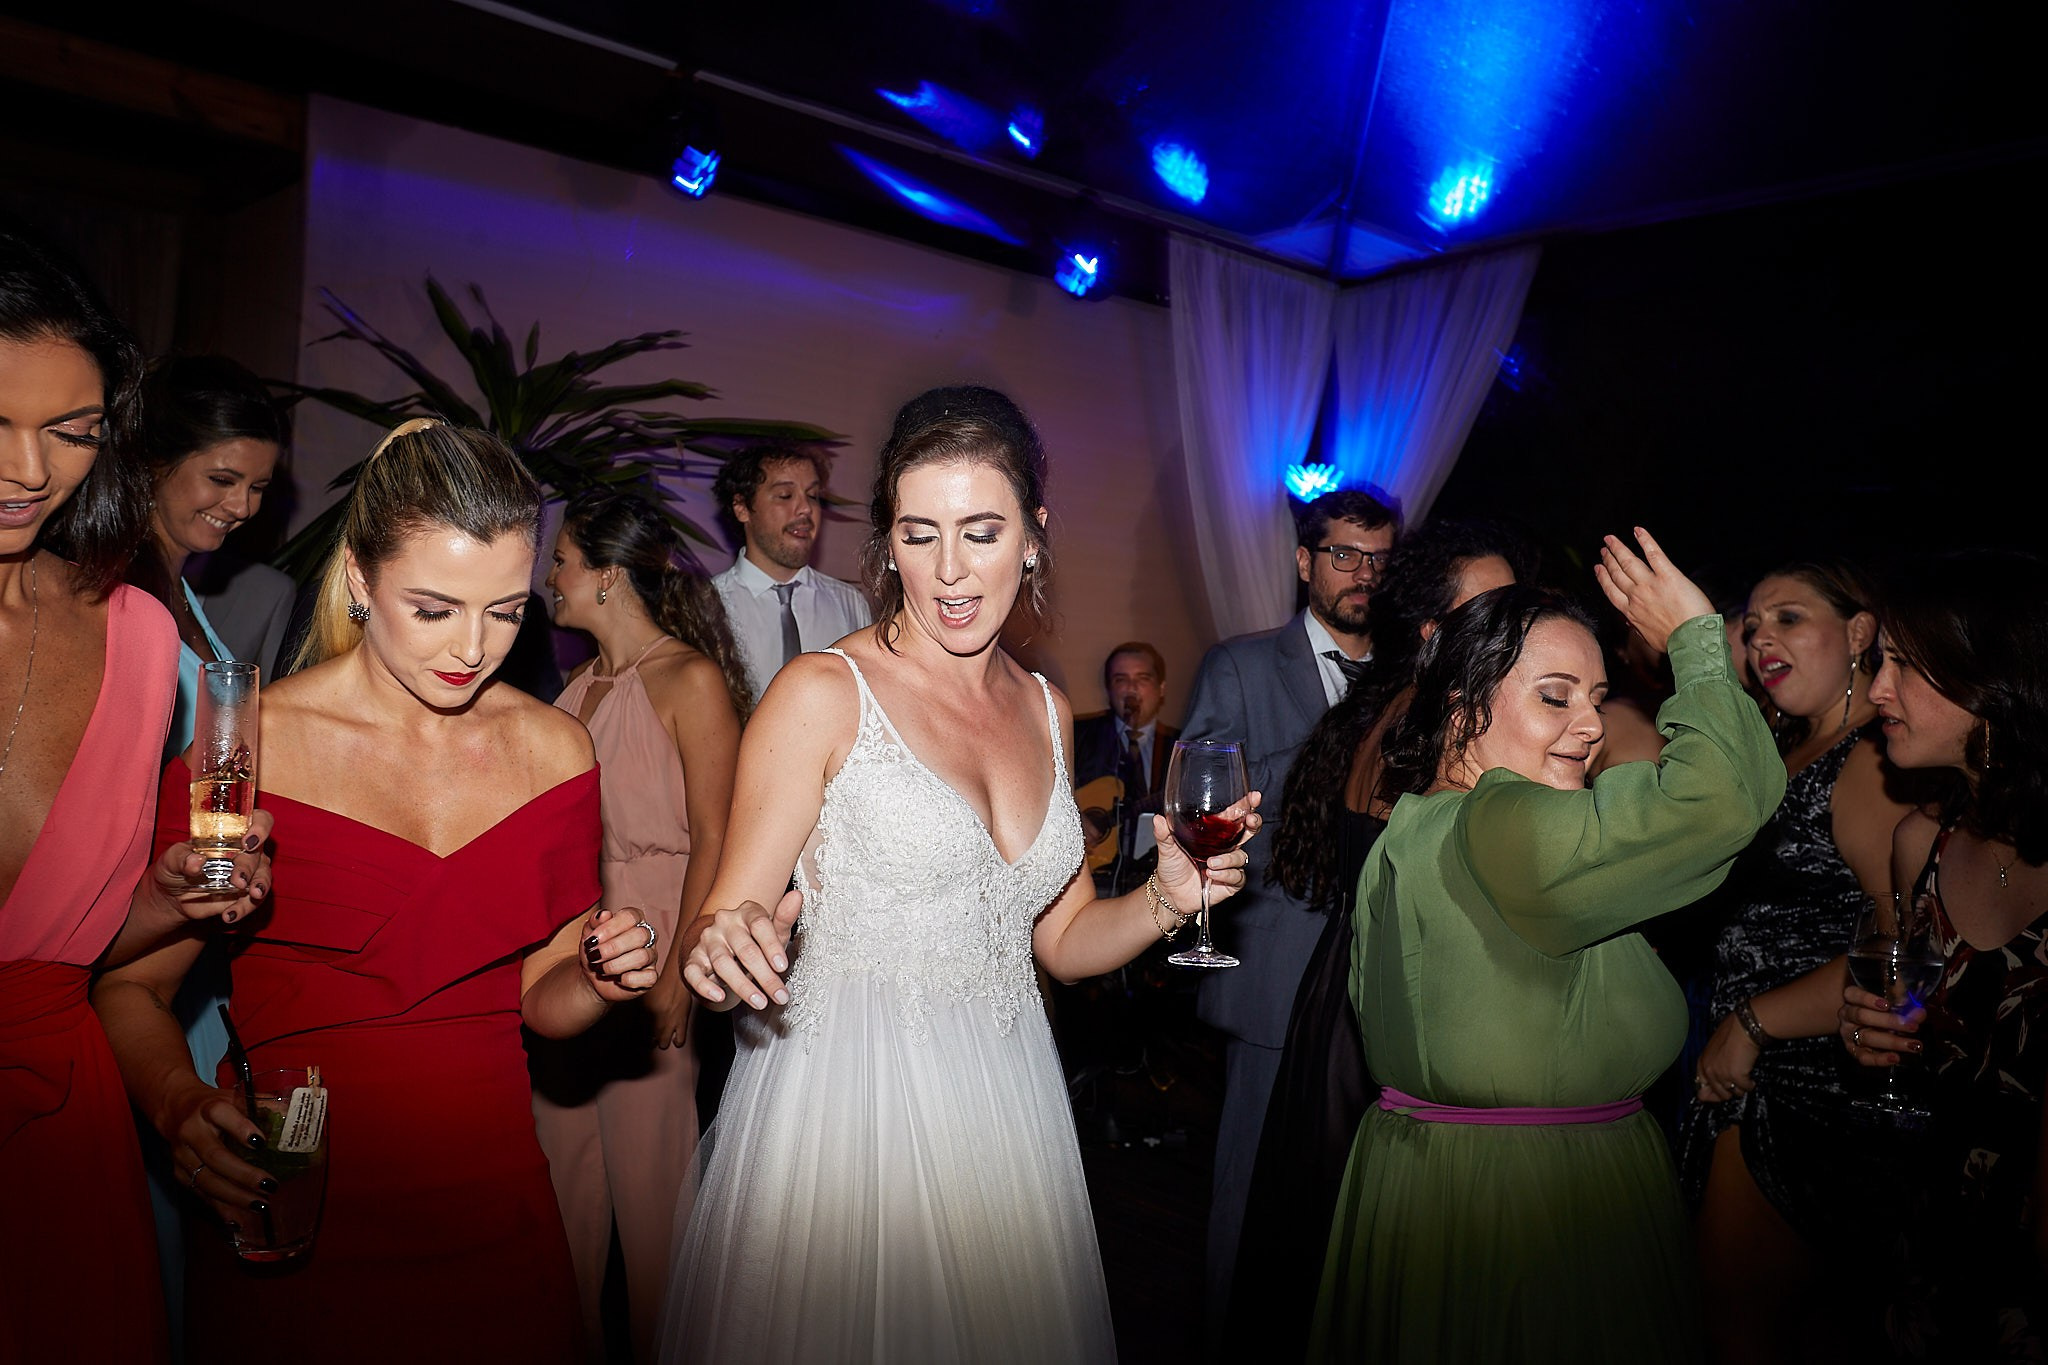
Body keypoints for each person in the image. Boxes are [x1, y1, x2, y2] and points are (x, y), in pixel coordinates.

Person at [661, 385, 1259, 1364]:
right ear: (886, 543)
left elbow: (1061, 942)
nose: (948, 570)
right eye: (918, 534)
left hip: (1007, 1102)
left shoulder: (1047, 710)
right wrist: (722, 945)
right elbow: (728, 920)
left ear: (1033, 537)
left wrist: (1166, 897)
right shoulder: (821, 693)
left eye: (981, 532)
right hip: (852, 1111)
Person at [93, 419, 661, 1365]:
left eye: (505, 611)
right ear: (359, 578)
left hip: (495, 1208)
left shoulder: (557, 751)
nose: (473, 647)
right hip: (294, 1204)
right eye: (434, 609)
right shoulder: (252, 746)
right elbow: (128, 982)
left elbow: (542, 994)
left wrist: (601, 976)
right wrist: (178, 1104)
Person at [1311, 533, 1785, 1363]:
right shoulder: (1502, 821)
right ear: (1464, 708)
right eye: (1555, 696)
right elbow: (1720, 803)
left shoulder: (1422, 818)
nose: (1592, 725)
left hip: (1443, 1184)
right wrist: (1696, 641)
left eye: (1596, 697)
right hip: (1531, 1210)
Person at [2, 228, 270, 1365]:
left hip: (63, 1136)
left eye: (69, 432)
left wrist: (166, 900)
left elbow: (77, 955)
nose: (28, 470)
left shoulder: (136, 634)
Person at [1225, 516, 1530, 1358]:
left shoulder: (1403, 709)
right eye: (1489, 610)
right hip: (1380, 1004)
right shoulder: (1431, 733)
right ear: (1432, 631)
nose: (1512, 626)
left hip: (1348, 989)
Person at [1676, 560, 1917, 1365]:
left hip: (1807, 1090)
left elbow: (1903, 961)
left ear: (1858, 632)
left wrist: (1752, 1024)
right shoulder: (1789, 746)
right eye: (1752, 626)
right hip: (1756, 1073)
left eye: (1788, 617)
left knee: (1737, 1334)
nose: (1761, 638)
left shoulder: (1869, 761)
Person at [532, 487, 748, 1364]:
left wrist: (678, 978)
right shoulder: (573, 691)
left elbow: (718, 837)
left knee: (652, 1199)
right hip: (571, 956)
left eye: (561, 560)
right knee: (564, 1194)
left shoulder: (690, 679)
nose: (549, 576)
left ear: (608, 575)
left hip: (658, 944)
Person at [1179, 485, 1397, 1315]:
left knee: (1354, 1200)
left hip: (1383, 970)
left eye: (1379, 559)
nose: (1363, 573)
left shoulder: (1410, 677)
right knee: (1248, 1190)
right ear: (1306, 562)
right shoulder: (1239, 665)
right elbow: (1201, 805)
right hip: (1278, 960)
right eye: (1344, 554)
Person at [1839, 549, 2048, 1360]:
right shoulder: (1917, 843)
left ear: (1990, 675)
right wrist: (1876, 1028)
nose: (1877, 691)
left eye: (1902, 664)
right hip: (1935, 1244)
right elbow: (1925, 1010)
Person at [710, 442, 872, 704]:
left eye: (813, 495)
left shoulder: (848, 604)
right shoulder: (708, 607)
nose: (805, 508)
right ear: (742, 508)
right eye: (785, 495)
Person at [1072, 640, 1179, 898]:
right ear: (1109, 690)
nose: (1131, 687)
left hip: (1158, 883)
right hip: (1091, 882)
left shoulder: (1182, 745)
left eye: (1143, 678)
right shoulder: (1076, 734)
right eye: (1121, 679)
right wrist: (1072, 819)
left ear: (1161, 689)